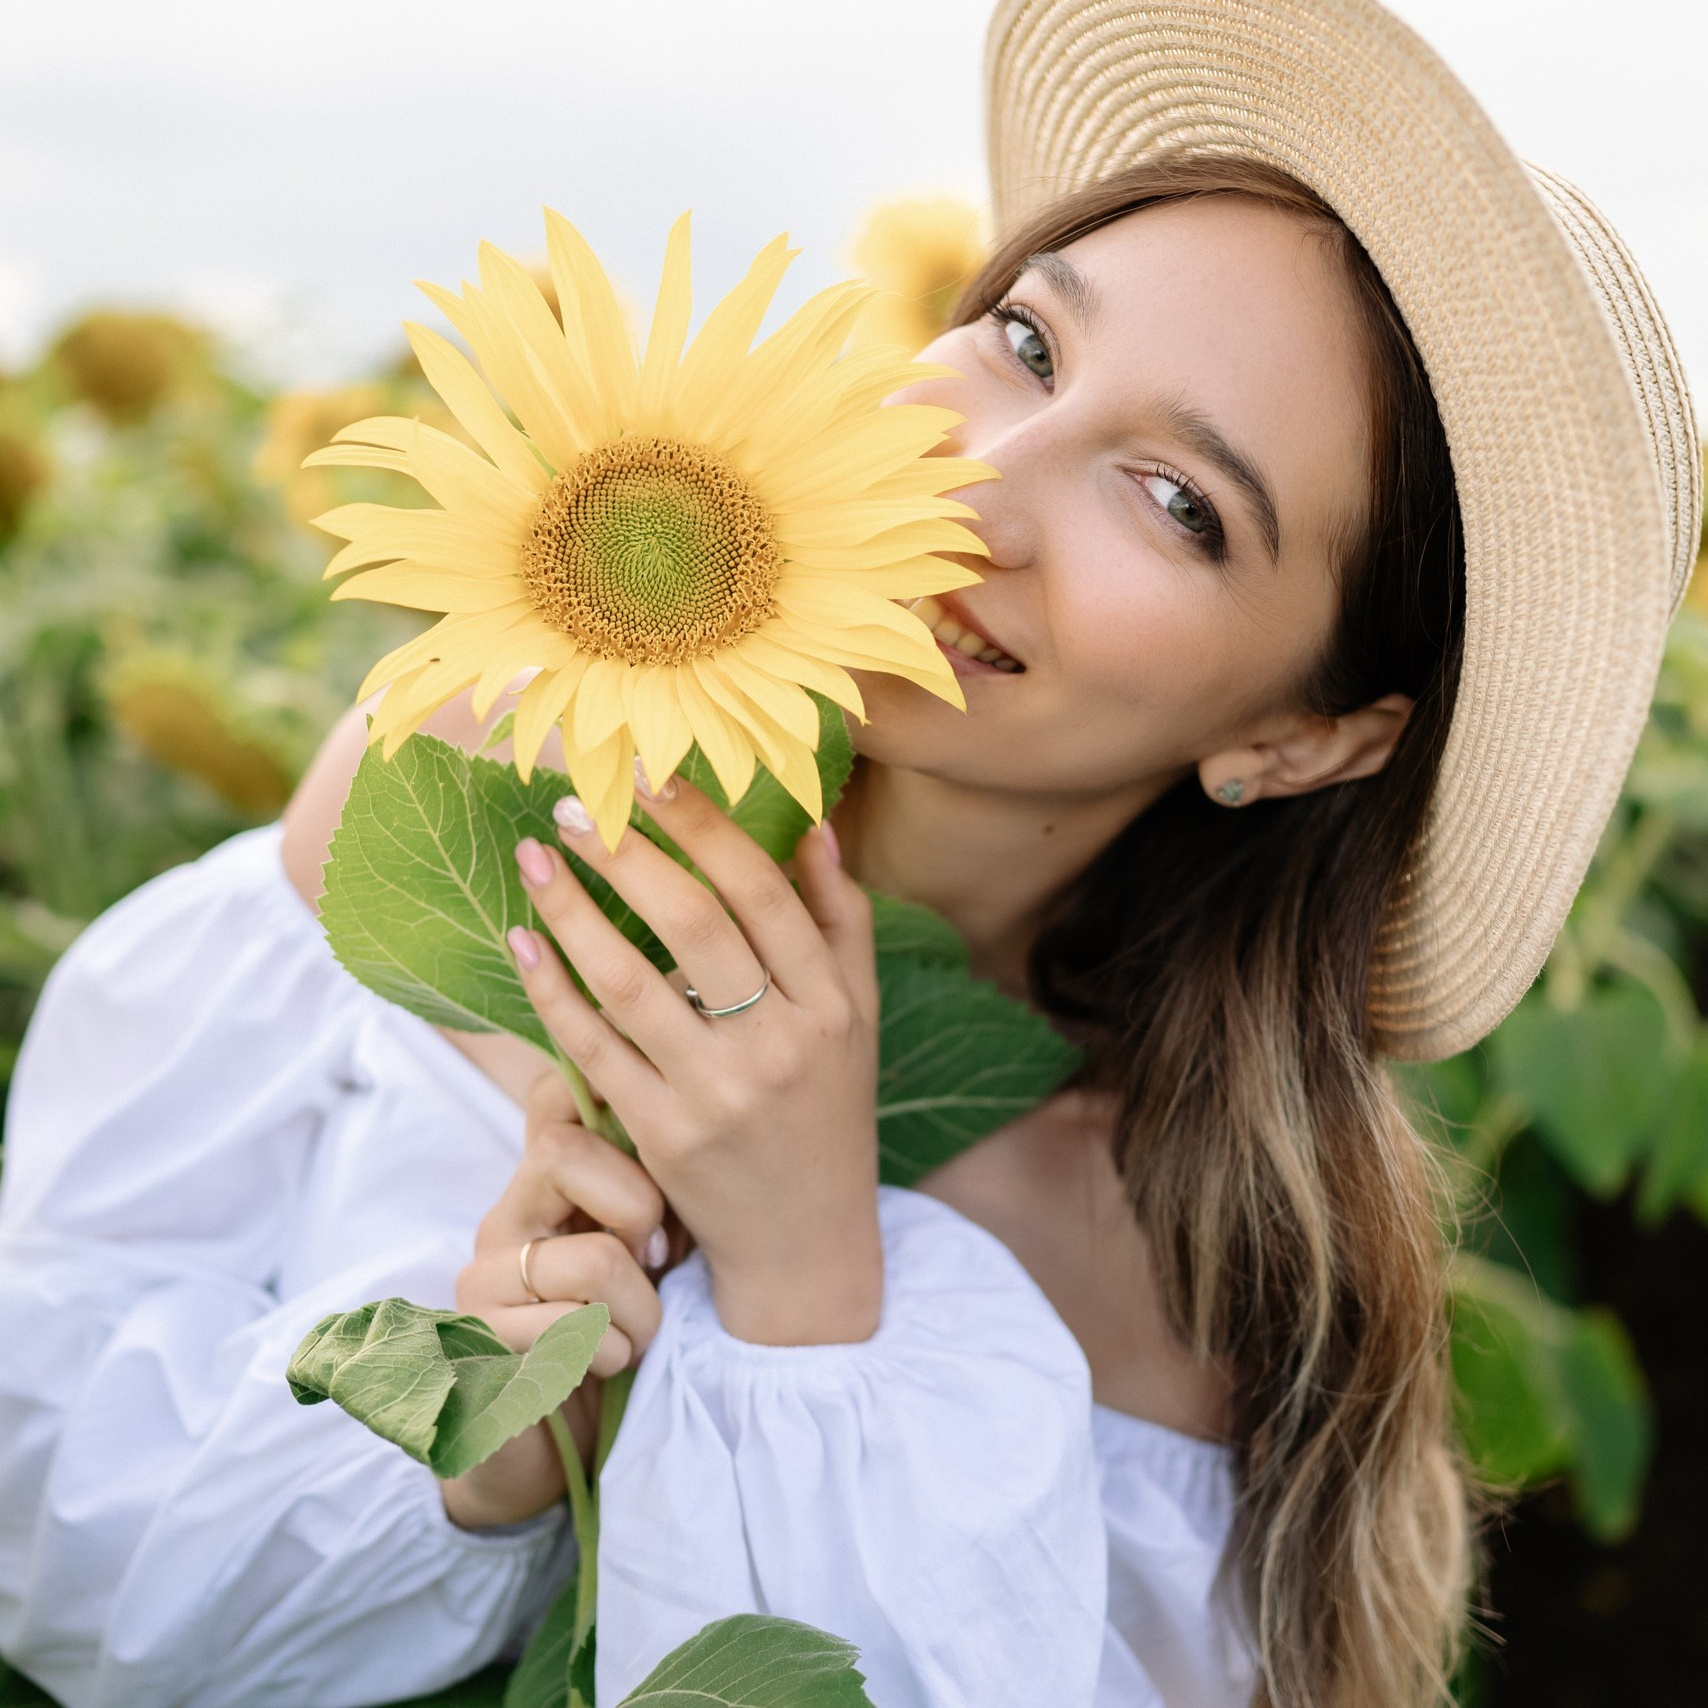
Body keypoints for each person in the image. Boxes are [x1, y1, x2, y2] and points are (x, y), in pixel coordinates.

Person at [0, 1, 1696, 1705]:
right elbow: (57, 1545)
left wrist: (812, 1289)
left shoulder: (1182, 1273)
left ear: (1303, 736)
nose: (976, 480)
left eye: (1177, 501)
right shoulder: (472, 809)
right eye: (1029, 344)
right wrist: (491, 1448)